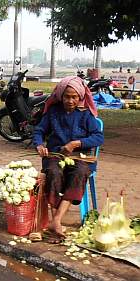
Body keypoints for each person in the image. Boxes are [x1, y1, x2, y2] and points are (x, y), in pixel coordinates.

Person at [33, 76, 104, 241]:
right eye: (66, 96)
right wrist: (38, 145)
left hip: (80, 157)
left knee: (79, 172)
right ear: (60, 96)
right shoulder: (53, 112)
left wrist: (76, 143)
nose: (70, 100)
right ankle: (56, 221)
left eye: (74, 97)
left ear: (80, 96)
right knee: (52, 172)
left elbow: (98, 138)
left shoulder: (85, 114)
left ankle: (55, 220)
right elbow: (39, 131)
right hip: (55, 155)